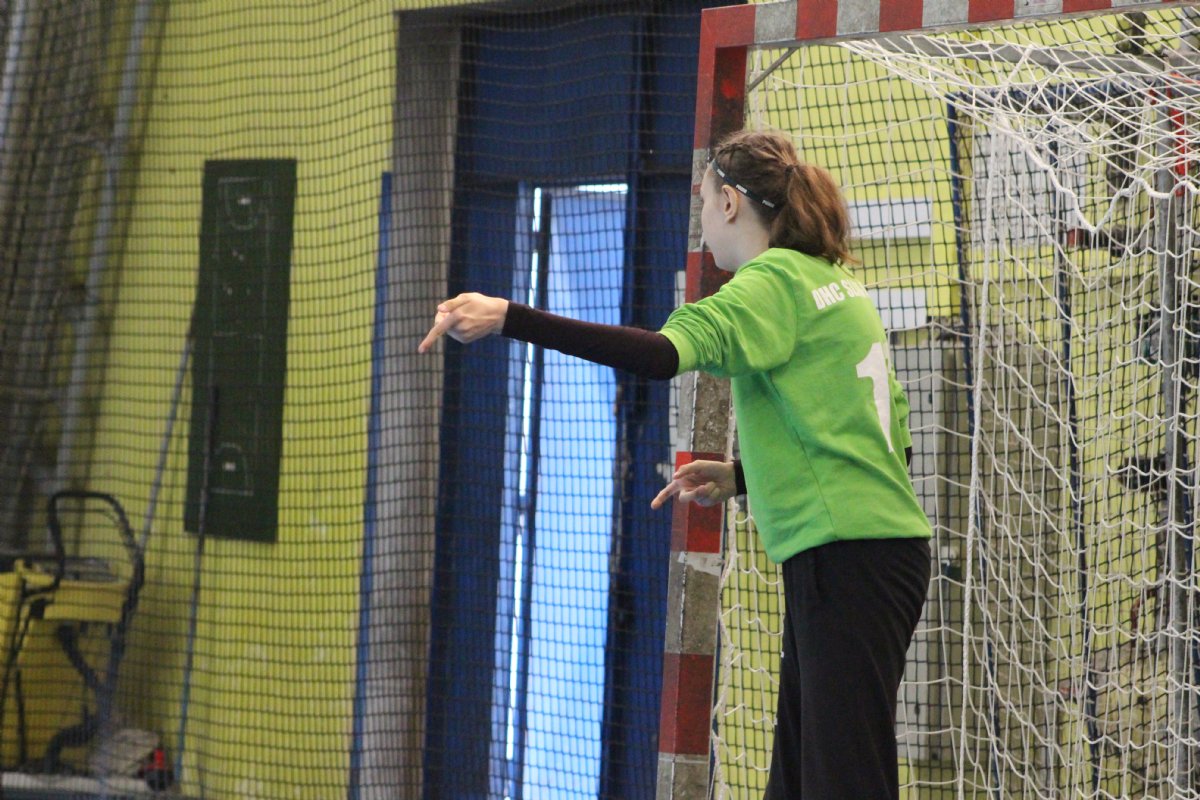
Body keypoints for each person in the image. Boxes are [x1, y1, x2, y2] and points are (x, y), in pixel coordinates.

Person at [419, 129, 932, 799]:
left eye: (705, 200)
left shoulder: (771, 282)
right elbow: (886, 443)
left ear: (729, 204)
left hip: (846, 561)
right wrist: (743, 476)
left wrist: (510, 316)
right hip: (871, 557)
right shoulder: (835, 284)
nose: (703, 218)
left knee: (843, 781)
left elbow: (660, 355)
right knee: (800, 776)